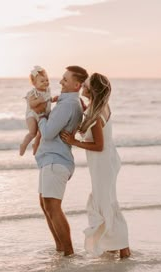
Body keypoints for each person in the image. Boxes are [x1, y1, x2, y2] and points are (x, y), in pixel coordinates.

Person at [61, 73, 131, 258]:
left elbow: (99, 146)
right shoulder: (97, 107)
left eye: (85, 85)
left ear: (91, 90)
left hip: (103, 163)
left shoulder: (97, 113)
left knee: (105, 204)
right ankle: (115, 246)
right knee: (107, 203)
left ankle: (124, 249)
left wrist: (74, 142)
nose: (82, 86)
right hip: (106, 162)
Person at [31, 66, 88, 256]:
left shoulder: (68, 105)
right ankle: (60, 249)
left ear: (76, 84)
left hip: (56, 160)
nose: (60, 81)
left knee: (53, 207)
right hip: (52, 159)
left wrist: (39, 114)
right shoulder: (68, 102)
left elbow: (47, 133)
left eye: (65, 79)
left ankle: (68, 253)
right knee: (45, 205)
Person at [19, 66, 58, 156]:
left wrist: (53, 99)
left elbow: (48, 99)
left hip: (44, 114)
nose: (45, 83)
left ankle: (35, 145)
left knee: (41, 133)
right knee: (33, 132)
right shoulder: (33, 93)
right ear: (34, 83)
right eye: (42, 81)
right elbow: (31, 104)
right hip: (32, 115)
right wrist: (38, 101)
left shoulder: (48, 91)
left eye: (47, 80)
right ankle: (23, 145)